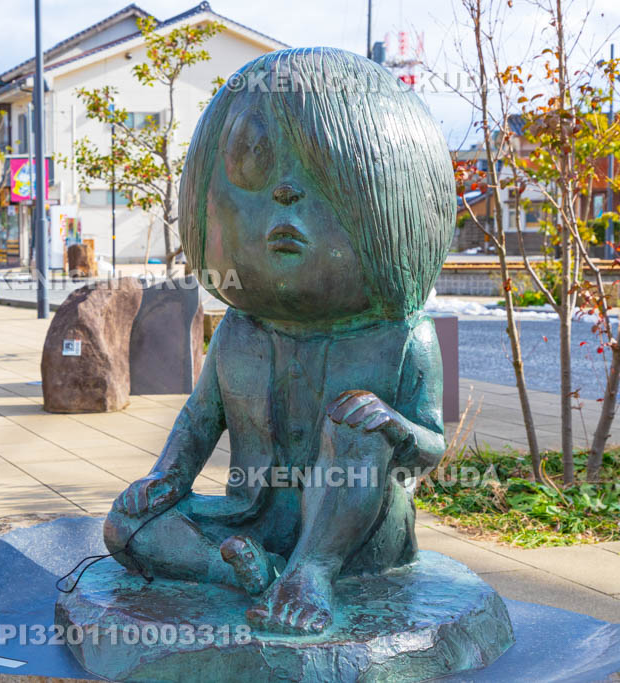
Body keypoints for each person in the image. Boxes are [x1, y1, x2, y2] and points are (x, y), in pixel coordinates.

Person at [103, 47, 456, 635]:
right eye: (255, 170)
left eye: (323, 179)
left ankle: (312, 572)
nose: (287, 193)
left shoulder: (401, 338)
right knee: (124, 526)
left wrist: (393, 427)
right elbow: (198, 421)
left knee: (359, 423)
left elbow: (431, 446)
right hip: (253, 519)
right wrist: (168, 476)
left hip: (357, 538)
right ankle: (244, 573)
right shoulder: (239, 334)